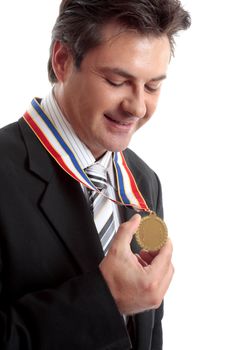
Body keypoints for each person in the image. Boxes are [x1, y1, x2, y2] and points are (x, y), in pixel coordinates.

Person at [0, 1, 190, 349]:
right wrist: (103, 300)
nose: (137, 107)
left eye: (152, 87)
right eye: (118, 81)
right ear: (62, 60)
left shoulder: (144, 180)